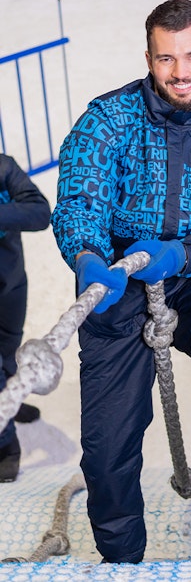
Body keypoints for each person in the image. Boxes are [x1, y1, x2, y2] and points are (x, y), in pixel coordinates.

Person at [50, 0, 191, 563]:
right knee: (109, 437)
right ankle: (121, 556)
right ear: (149, 59)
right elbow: (80, 200)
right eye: (167, 58)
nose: (181, 72)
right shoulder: (106, 119)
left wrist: (179, 254)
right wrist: (88, 257)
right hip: (116, 277)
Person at [0, 154, 52, 481]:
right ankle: (6, 445)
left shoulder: (4, 167)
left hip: (11, 284)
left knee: (8, 352)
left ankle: (10, 398)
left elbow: (40, 212)